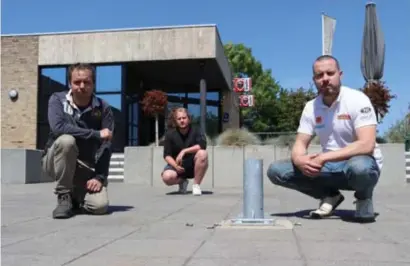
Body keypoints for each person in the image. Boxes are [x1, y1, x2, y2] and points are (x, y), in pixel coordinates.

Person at [267, 55, 383, 223]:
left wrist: (322, 157)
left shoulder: (357, 99)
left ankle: (364, 198)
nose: (325, 79)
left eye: (330, 73)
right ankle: (330, 196)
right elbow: (300, 142)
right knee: (276, 170)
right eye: (319, 75)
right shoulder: (311, 107)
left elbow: (366, 144)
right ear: (314, 79)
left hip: (360, 164)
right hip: (329, 166)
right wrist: (300, 160)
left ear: (340, 75)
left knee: (360, 167)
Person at [42, 63, 115, 219]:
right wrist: (95, 134)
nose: (82, 86)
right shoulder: (57, 100)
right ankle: (64, 196)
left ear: (93, 84)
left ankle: (76, 198)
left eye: (87, 82)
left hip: (85, 165)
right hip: (55, 160)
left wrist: (99, 176)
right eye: (77, 82)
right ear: (70, 83)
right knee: (66, 141)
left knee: (99, 206)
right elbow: (58, 128)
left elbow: (106, 144)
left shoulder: (103, 108)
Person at [161, 107, 208, 195]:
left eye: (184, 118)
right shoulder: (170, 134)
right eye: (179, 119)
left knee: (203, 153)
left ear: (188, 119)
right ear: (175, 121)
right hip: (178, 165)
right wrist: (175, 165)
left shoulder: (196, 130)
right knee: (167, 177)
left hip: (193, 165)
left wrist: (184, 151)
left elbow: (202, 145)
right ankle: (182, 181)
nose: (182, 121)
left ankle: (196, 185)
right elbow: (166, 155)